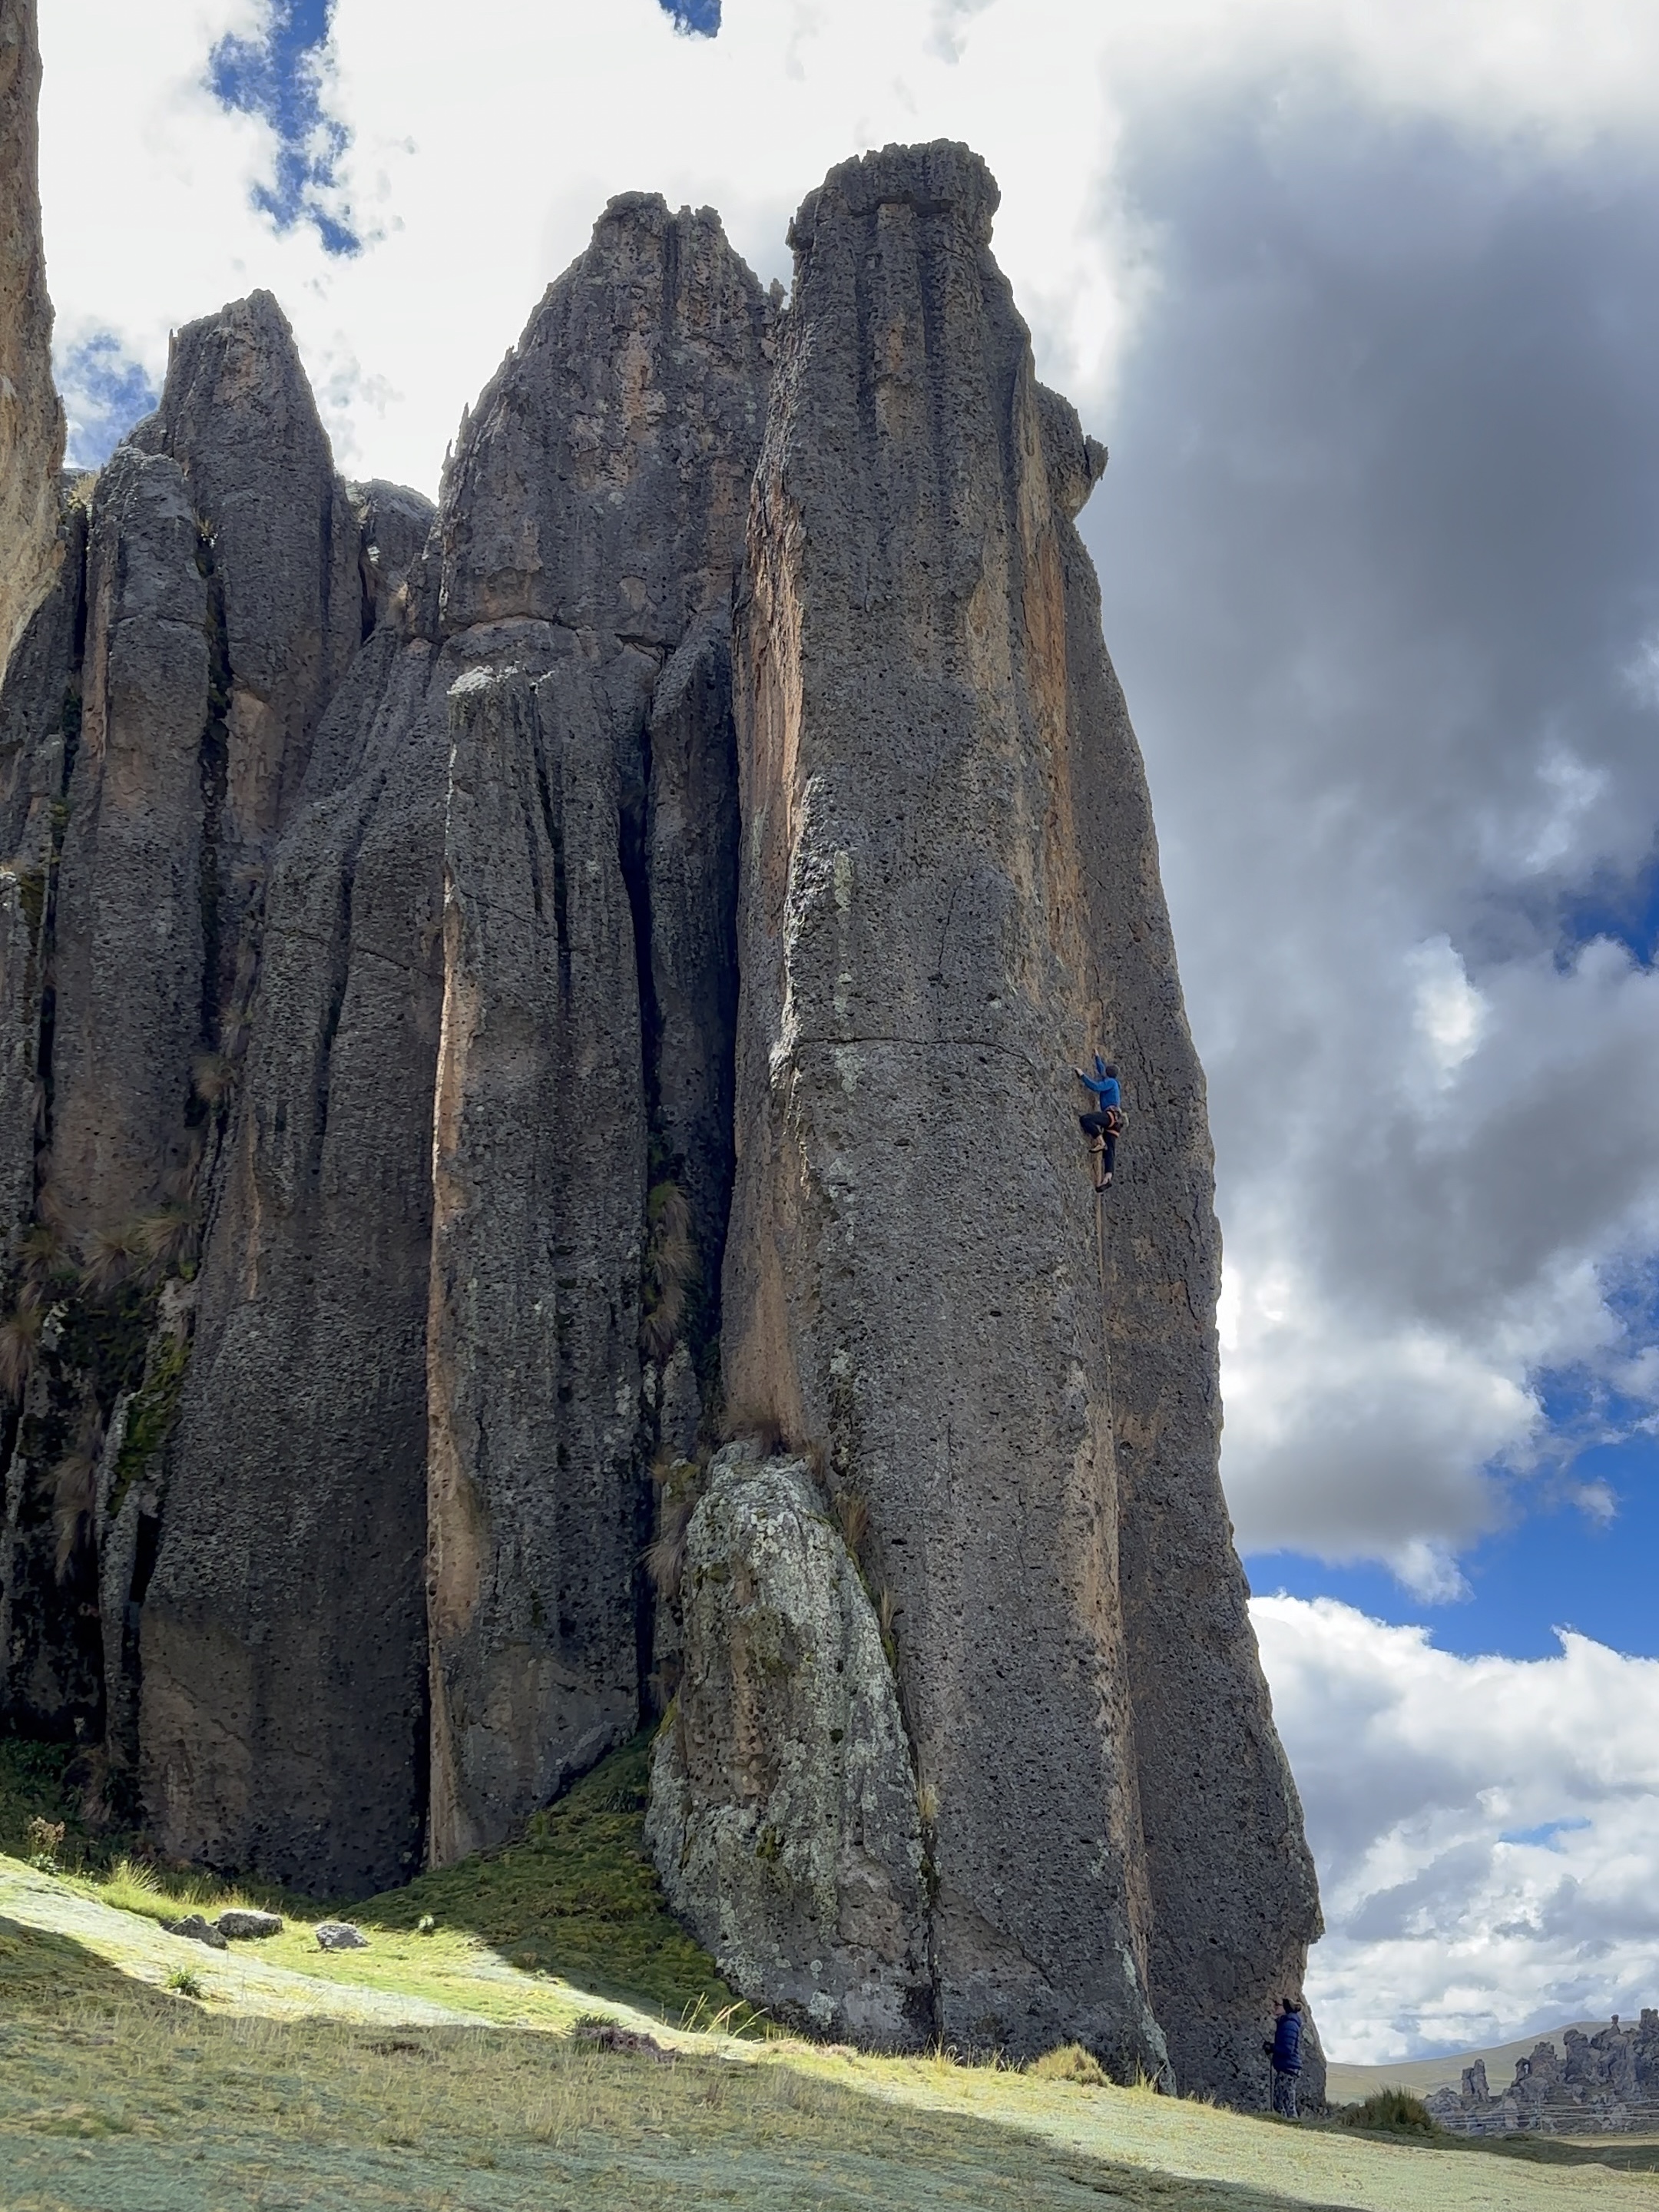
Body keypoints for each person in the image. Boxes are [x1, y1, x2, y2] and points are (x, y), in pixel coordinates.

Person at [1072, 1056, 1123, 1190]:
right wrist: (1097, 1057)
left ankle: (1100, 1141)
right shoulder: (1115, 1083)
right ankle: (1107, 1178)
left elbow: (1096, 1087)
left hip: (1110, 1115)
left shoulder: (1111, 1082)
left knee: (1086, 1119)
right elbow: (1102, 1071)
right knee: (1110, 1151)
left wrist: (1082, 1075)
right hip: (1116, 1121)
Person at [1265, 1996, 1304, 2119]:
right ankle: (1288, 2126)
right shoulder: (1288, 2023)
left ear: (1285, 2009)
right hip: (1288, 2068)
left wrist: (1272, 2048)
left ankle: (1292, 2127)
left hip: (1288, 2069)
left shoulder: (1289, 2025)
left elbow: (1287, 2049)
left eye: (1278, 2005)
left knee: (1285, 2104)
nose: (1275, 2007)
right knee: (1283, 2102)